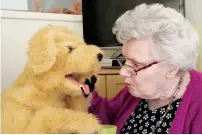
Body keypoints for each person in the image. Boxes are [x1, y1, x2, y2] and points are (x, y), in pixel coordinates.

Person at [88, 3, 202, 134]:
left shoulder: (198, 103)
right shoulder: (133, 92)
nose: (123, 72)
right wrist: (86, 93)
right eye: (125, 60)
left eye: (136, 64)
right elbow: (106, 116)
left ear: (171, 68)